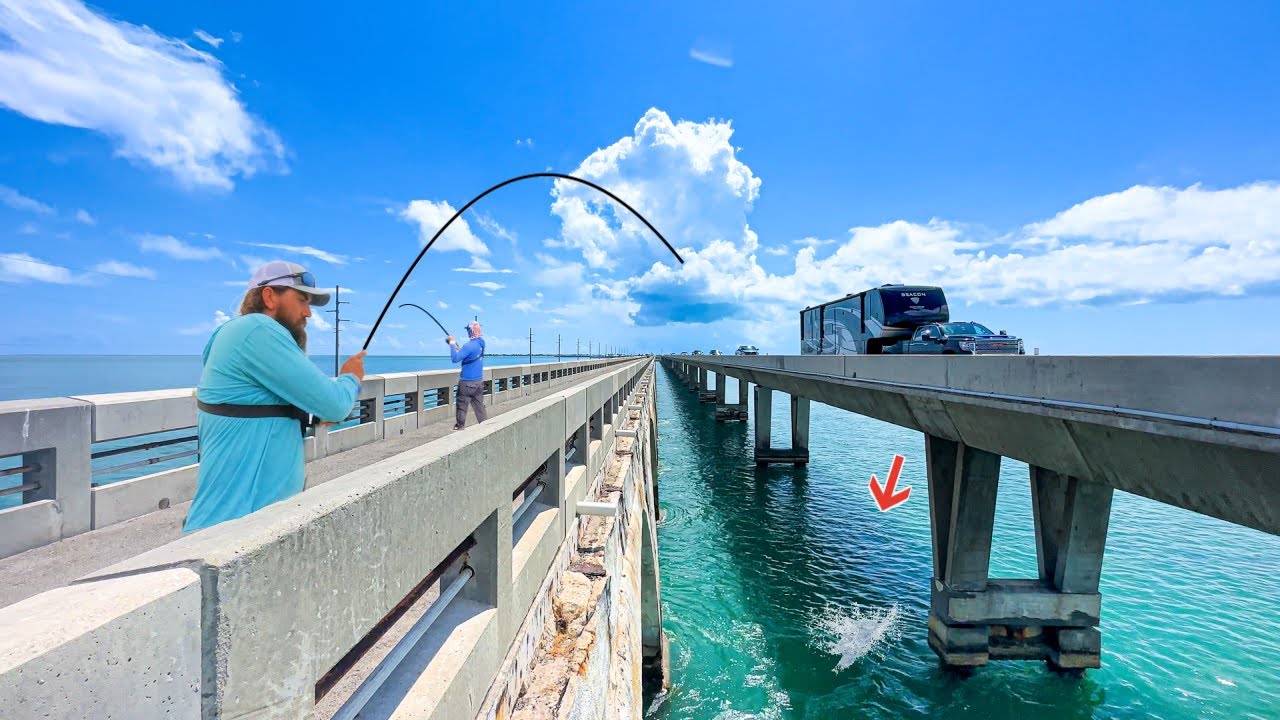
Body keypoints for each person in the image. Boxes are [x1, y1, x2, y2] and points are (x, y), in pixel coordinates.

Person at [183, 261, 367, 533]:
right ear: (269, 296)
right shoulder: (258, 329)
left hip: (235, 524)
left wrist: (311, 417)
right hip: (237, 529)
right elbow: (337, 404)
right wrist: (350, 377)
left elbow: (256, 405)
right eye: (302, 300)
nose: (308, 313)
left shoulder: (230, 333)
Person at [447, 321, 487, 430]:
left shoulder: (469, 345)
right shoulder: (481, 343)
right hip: (479, 382)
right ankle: (485, 428)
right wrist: (459, 349)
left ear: (471, 331)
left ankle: (460, 427)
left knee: (461, 404)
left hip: (467, 383)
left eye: (468, 330)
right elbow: (469, 356)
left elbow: (455, 359)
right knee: (479, 407)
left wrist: (451, 343)